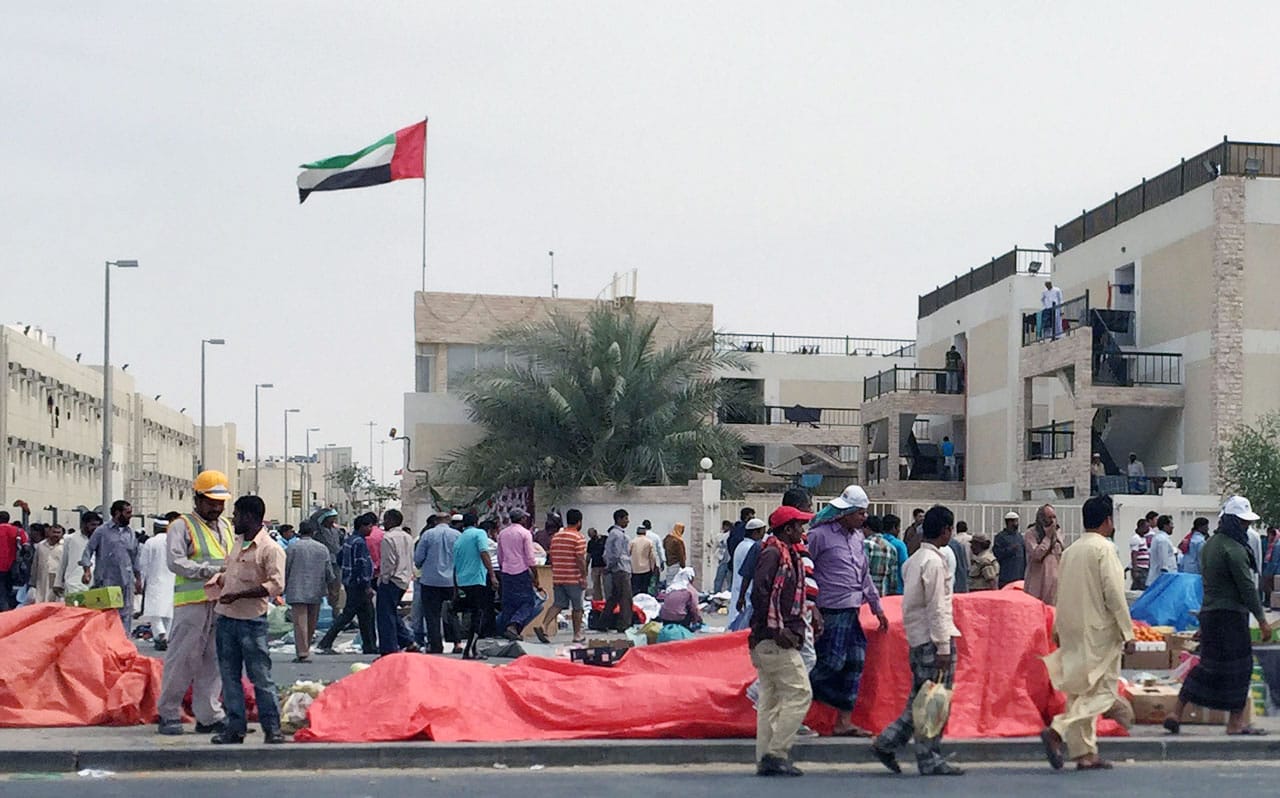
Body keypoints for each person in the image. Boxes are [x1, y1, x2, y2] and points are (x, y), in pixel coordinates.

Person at [1164, 496, 1273, 736]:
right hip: (1231, 617)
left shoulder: (1211, 545)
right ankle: (1235, 722)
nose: (1246, 527)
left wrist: (1203, 619)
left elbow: (1209, 584)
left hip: (1211, 614)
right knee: (1241, 668)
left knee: (1208, 666)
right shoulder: (1233, 549)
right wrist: (1263, 620)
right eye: (1243, 523)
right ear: (1234, 522)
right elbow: (1246, 588)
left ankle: (1176, 711)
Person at [1041, 494, 1135, 771]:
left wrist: (1058, 628)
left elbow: (1060, 592)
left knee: (1080, 692)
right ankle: (1058, 729)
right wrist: (1127, 632)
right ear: (1108, 521)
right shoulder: (1104, 550)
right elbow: (1115, 594)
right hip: (1099, 631)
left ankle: (1084, 753)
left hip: (1071, 627)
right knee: (1104, 692)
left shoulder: (1070, 551)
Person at [872, 504, 964, 777]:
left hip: (917, 639)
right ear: (946, 531)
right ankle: (929, 757)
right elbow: (937, 606)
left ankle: (888, 742)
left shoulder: (913, 561)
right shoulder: (935, 563)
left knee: (919, 700)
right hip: (935, 640)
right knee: (934, 702)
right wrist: (944, 646)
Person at [157, 472, 236, 736]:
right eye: (211, 501)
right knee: (182, 659)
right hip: (192, 602)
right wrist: (206, 571)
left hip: (220, 601)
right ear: (198, 498)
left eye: (220, 502)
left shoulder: (225, 526)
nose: (216, 506)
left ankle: (208, 715)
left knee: (213, 660)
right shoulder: (182, 525)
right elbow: (175, 561)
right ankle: (168, 713)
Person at [807, 484, 889, 737]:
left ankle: (843, 721)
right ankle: (799, 693)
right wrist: (812, 607)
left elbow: (863, 576)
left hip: (853, 609)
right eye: (860, 513)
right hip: (830, 609)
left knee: (855, 663)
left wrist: (877, 607)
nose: (864, 518)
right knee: (831, 663)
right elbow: (806, 570)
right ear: (845, 513)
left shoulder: (858, 538)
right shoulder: (819, 535)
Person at [208, 495, 286, 745]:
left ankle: (272, 729)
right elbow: (232, 572)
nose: (233, 519)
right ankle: (235, 728)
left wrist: (239, 594)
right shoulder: (237, 543)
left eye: (237, 514)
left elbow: (276, 585)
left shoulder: (270, 549)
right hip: (226, 618)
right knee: (229, 678)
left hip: (252, 621)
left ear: (250, 517)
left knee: (260, 678)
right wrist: (220, 581)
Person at [748, 505, 815, 777]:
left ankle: (766, 756)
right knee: (800, 693)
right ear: (788, 529)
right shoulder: (776, 554)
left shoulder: (785, 553)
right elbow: (760, 594)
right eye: (799, 525)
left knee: (771, 700)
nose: (803, 530)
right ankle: (776, 753)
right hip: (774, 639)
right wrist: (777, 630)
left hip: (768, 639)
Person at [316, 513, 377, 655]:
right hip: (359, 585)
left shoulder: (349, 540)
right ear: (362, 526)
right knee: (350, 615)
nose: (371, 529)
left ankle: (369, 646)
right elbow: (362, 564)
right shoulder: (360, 543)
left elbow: (339, 558)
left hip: (350, 583)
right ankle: (326, 642)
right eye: (369, 526)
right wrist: (366, 585)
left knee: (366, 615)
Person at [79, 500, 142, 633]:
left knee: (126, 614)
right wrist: (87, 571)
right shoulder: (101, 531)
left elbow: (135, 556)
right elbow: (88, 551)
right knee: (107, 615)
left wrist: (139, 579)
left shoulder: (130, 532)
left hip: (126, 581)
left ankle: (124, 645)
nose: (130, 516)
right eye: (128, 512)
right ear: (117, 513)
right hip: (107, 581)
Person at [284, 520, 333, 663]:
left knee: (299, 623)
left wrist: (283, 585)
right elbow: (328, 571)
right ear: (314, 532)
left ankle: (302, 651)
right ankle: (307, 647)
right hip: (316, 589)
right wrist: (330, 586)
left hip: (296, 589)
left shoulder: (292, 548)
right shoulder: (322, 548)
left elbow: (285, 569)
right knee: (312, 621)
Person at [453, 512, 498, 660]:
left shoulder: (459, 539)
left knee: (471, 614)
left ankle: (471, 648)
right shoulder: (479, 533)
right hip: (476, 579)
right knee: (479, 615)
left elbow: (455, 564)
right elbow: (484, 553)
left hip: (462, 581)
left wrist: (455, 585)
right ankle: (471, 650)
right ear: (477, 522)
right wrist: (492, 575)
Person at [415, 512, 461, 654]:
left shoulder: (427, 535)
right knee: (452, 612)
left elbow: (418, 558)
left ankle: (435, 645)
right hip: (451, 581)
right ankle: (457, 643)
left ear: (435, 521)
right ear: (448, 520)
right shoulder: (457, 535)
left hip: (430, 581)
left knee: (432, 614)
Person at [541, 509, 588, 644]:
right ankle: (577, 634)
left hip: (558, 576)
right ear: (579, 522)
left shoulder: (556, 537)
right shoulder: (578, 537)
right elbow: (580, 558)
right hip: (573, 577)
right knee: (577, 607)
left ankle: (544, 626)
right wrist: (583, 576)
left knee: (558, 604)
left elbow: (553, 556)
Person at [374, 509, 416, 655]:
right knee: (392, 613)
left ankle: (389, 650)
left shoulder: (388, 538)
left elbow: (389, 562)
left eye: (385, 519)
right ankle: (407, 641)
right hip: (404, 578)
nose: (383, 523)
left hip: (392, 579)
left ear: (391, 520)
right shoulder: (408, 537)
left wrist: (384, 579)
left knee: (385, 616)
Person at [495, 508, 542, 640]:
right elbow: (530, 558)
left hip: (506, 571)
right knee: (528, 602)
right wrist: (535, 577)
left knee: (509, 603)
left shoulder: (502, 534)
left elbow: (500, 556)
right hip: (521, 572)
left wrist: (502, 568)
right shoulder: (525, 533)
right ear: (521, 519)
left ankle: (508, 630)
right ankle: (514, 625)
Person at [138, 519, 174, 649]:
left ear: (155, 528)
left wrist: (141, 581)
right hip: (172, 581)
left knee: (155, 613)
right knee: (169, 613)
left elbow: (143, 564)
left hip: (155, 581)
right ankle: (167, 637)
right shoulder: (174, 542)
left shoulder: (151, 542)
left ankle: (160, 635)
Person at [729, 518, 767, 630]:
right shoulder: (751, 547)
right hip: (746, 590)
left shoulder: (741, 545)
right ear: (755, 533)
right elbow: (748, 572)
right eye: (762, 532)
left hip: (739, 587)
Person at [57, 512, 100, 605]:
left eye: (97, 525)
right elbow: (63, 561)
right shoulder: (71, 538)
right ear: (84, 524)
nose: (95, 528)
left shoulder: (100, 539)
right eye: (92, 525)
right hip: (73, 584)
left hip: (93, 585)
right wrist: (58, 583)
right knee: (74, 613)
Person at [601, 509, 633, 632]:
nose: (628, 521)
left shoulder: (613, 534)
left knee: (614, 597)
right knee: (626, 598)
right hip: (621, 569)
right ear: (619, 519)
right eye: (626, 518)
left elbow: (607, 553)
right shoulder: (618, 535)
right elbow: (617, 554)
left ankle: (603, 622)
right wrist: (610, 567)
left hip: (616, 569)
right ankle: (624, 624)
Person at [1024, 504, 1063, 605]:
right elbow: (1037, 554)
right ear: (1041, 518)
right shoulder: (1031, 534)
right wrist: (1047, 537)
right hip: (1037, 584)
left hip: (1054, 583)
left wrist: (1056, 537)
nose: (1053, 521)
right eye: (1049, 517)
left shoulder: (1058, 533)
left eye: (1054, 517)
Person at [657, 566, 702, 642]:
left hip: (664, 617)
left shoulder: (671, 588)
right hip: (679, 618)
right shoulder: (690, 590)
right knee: (690, 609)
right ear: (691, 578)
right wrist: (698, 619)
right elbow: (694, 608)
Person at [314, 509, 344, 616]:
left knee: (335, 589)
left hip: (336, 562)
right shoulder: (319, 532)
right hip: (323, 562)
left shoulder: (336, 531)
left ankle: (335, 613)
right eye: (332, 518)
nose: (333, 520)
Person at [865, 515, 900, 597]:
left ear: (867, 528)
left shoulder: (865, 544)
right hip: (882, 595)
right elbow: (893, 579)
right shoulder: (891, 548)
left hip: (865, 596)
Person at [0, 511, 29, 611]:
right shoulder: (18, 531)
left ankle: (4, 609)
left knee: (1, 589)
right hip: (12, 565)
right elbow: (26, 547)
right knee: (8, 588)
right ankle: (6, 608)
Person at [29, 523, 64, 603]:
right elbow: (35, 564)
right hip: (42, 578)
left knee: (56, 601)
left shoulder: (65, 546)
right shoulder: (41, 545)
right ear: (49, 533)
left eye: (58, 533)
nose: (56, 535)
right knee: (41, 600)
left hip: (57, 579)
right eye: (54, 532)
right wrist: (32, 581)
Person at [993, 511, 1026, 587]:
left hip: (1020, 575)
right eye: (1014, 521)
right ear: (1009, 522)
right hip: (1007, 575)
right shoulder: (1000, 537)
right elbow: (997, 553)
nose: (1016, 523)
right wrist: (1010, 550)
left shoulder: (1020, 537)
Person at [881, 514, 909, 595]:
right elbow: (905, 566)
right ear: (894, 527)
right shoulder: (899, 545)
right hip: (897, 587)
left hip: (881, 587)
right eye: (898, 527)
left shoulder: (877, 542)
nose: (899, 530)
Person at [1146, 514, 1177, 584]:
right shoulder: (1163, 540)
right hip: (1161, 579)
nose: (1173, 527)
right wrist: (1165, 581)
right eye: (1171, 524)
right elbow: (1164, 563)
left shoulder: (1158, 537)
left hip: (1159, 578)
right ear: (1165, 526)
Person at [629, 524, 659, 596]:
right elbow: (652, 557)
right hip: (646, 569)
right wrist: (653, 568)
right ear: (645, 532)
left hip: (634, 570)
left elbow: (628, 554)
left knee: (635, 590)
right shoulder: (649, 542)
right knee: (644, 590)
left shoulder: (632, 542)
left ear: (637, 532)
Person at [1129, 518, 1151, 590]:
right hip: (1140, 568)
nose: (1148, 530)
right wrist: (1135, 570)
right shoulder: (1136, 538)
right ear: (1141, 527)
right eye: (1146, 527)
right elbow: (1134, 554)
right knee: (1142, 588)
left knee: (1138, 587)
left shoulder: (1143, 538)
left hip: (1145, 568)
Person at [713, 519, 734, 594]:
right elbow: (718, 543)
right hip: (722, 560)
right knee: (719, 579)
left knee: (729, 580)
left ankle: (727, 594)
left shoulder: (730, 535)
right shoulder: (720, 536)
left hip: (728, 560)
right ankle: (717, 593)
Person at [586, 527, 607, 600]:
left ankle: (606, 600)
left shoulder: (605, 539)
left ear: (596, 532)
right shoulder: (590, 543)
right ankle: (598, 600)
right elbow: (588, 555)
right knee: (596, 585)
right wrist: (586, 567)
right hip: (595, 566)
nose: (592, 537)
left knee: (605, 584)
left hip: (604, 565)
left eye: (592, 535)